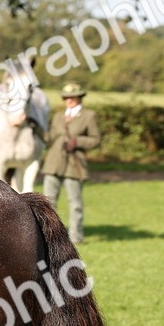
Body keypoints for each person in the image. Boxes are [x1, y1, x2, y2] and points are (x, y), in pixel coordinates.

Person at [41, 83, 100, 244]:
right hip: (54, 162)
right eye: (66, 97)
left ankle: (76, 237)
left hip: (74, 164)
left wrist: (78, 141)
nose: (69, 100)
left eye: (72, 97)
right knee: (48, 203)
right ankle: (49, 236)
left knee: (75, 203)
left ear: (79, 97)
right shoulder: (58, 116)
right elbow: (50, 138)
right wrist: (36, 128)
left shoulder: (89, 116)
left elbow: (95, 139)